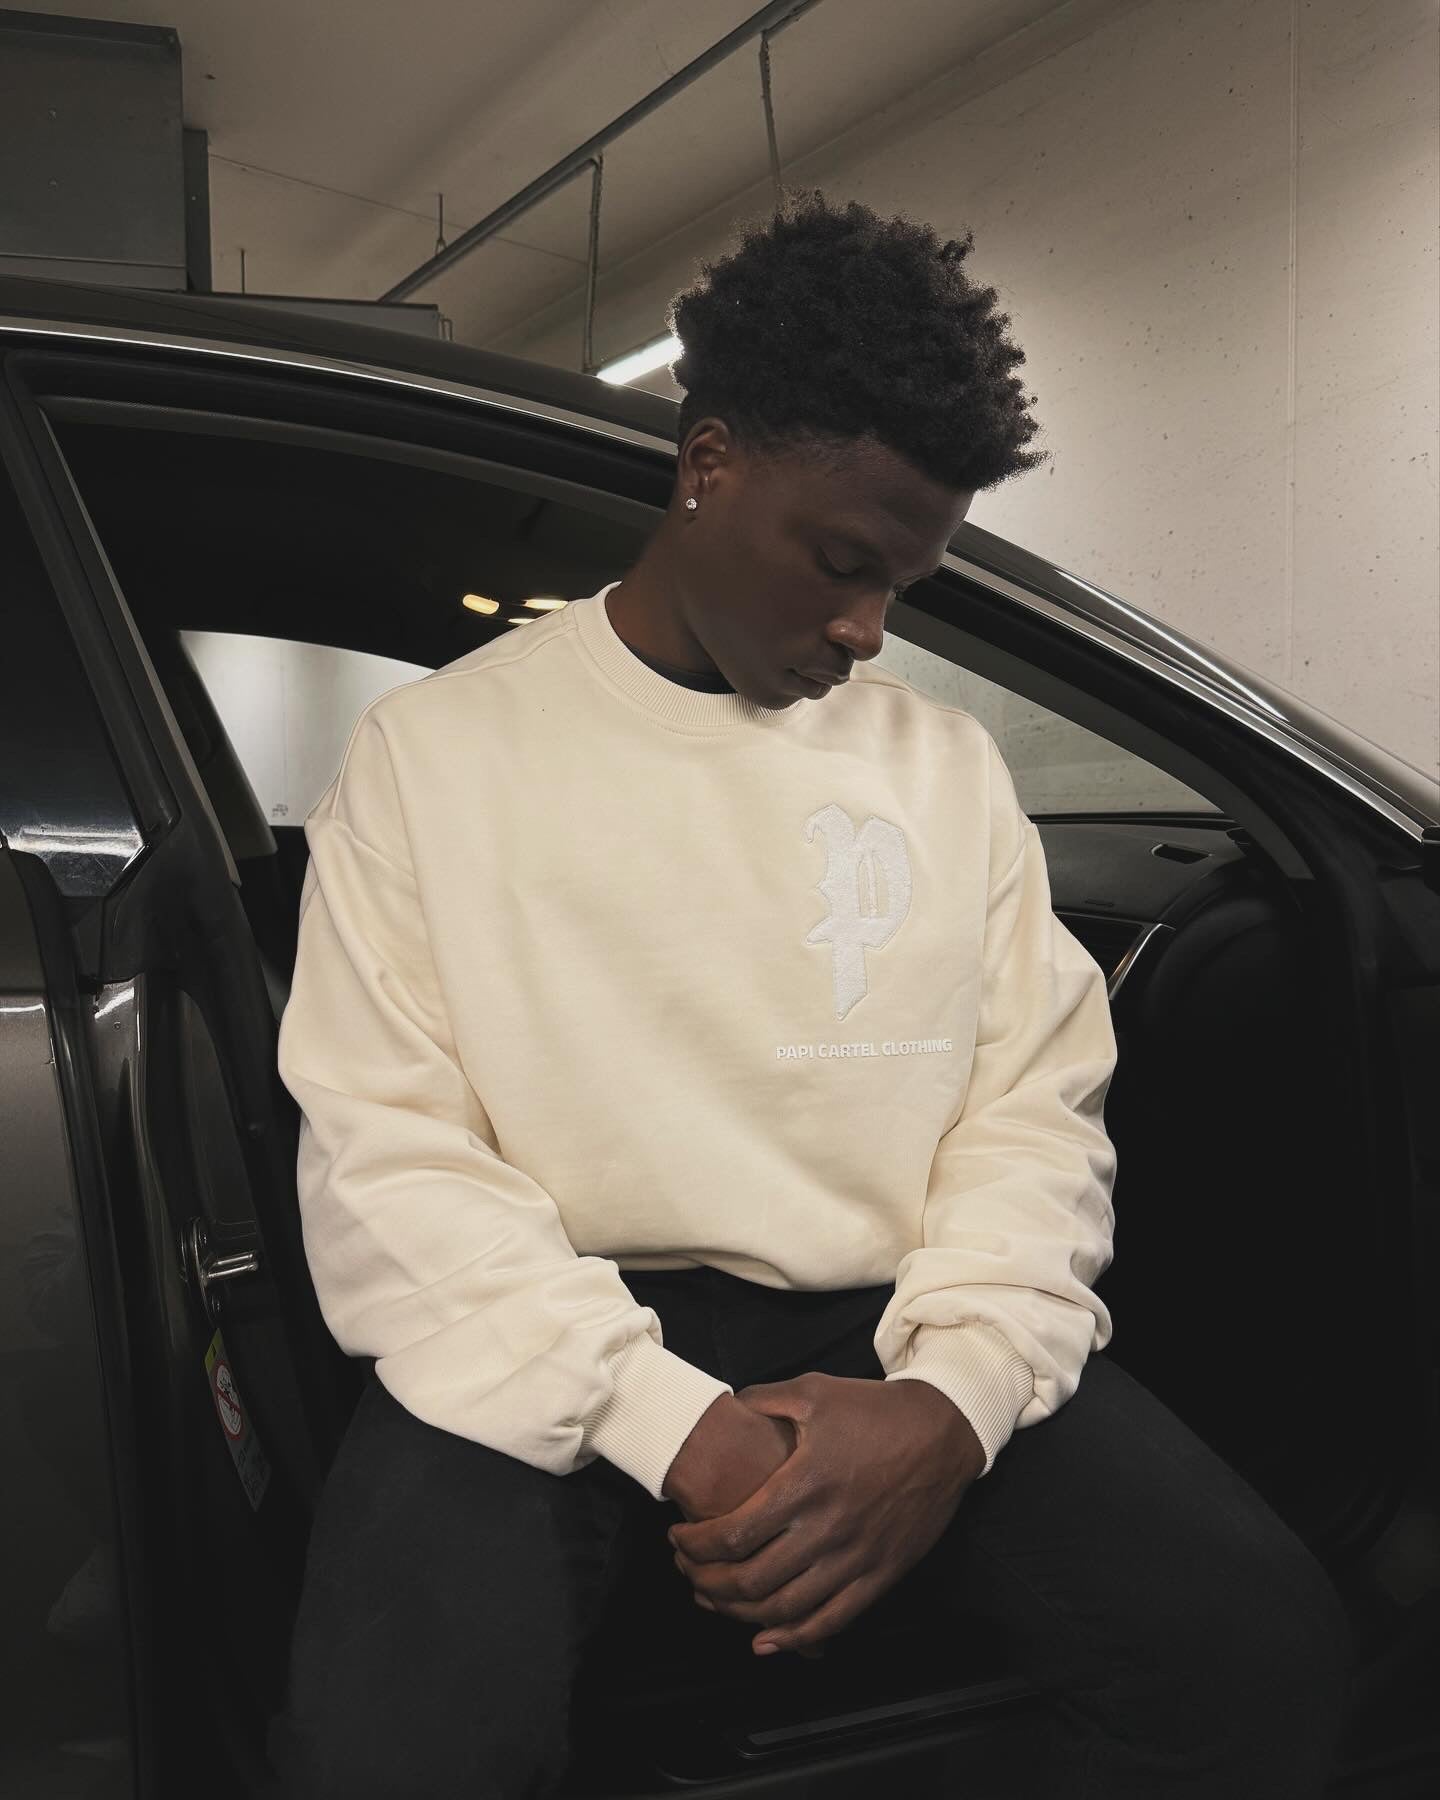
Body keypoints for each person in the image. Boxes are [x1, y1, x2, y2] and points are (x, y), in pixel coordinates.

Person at [269, 188, 1355, 1798]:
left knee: (1263, 1658)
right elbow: (395, 1162)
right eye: (843, 563)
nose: (866, 630)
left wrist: (950, 1408)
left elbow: (1030, 1117)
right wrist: (685, 1432)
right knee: (395, 1758)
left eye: (904, 583)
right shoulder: (435, 758)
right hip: (542, 1318)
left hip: (888, 1315)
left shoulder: (943, 771)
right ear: (708, 463)